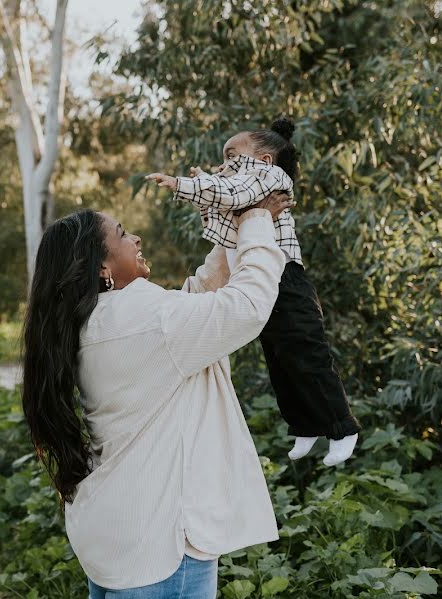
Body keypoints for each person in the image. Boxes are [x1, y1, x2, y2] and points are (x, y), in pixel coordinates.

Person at [21, 190, 292, 598]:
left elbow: (195, 304)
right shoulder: (151, 323)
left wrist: (231, 232)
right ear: (102, 267)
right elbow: (247, 306)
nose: (137, 239)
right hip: (161, 545)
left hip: (117, 533)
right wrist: (256, 222)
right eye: (123, 234)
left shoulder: (95, 322)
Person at [145, 117, 361, 466]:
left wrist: (181, 184)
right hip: (259, 277)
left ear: (264, 160)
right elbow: (221, 208)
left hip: (286, 278)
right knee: (280, 359)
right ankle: (305, 425)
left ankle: (342, 427)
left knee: (308, 356)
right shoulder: (246, 180)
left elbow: (232, 195)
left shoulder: (272, 178)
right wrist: (206, 181)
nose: (226, 161)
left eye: (232, 155)